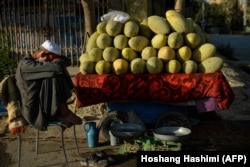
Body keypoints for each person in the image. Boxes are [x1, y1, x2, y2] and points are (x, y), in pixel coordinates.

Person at [15, 40, 82, 131]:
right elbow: (57, 67)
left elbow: (66, 60)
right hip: (35, 112)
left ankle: (64, 110)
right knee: (54, 74)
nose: (50, 63)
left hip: (44, 104)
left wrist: (55, 60)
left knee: (57, 71)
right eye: (51, 60)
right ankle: (64, 112)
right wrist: (55, 63)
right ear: (43, 54)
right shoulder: (27, 66)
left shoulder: (35, 62)